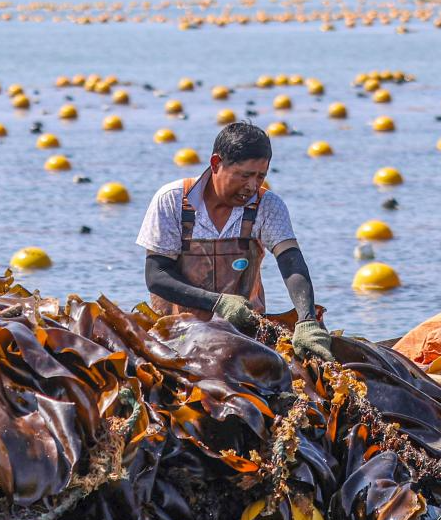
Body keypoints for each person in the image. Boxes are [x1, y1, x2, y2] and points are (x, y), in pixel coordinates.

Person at [136, 121, 333, 361]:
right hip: (175, 338)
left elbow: (290, 261)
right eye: (244, 175)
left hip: (245, 335)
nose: (252, 186)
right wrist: (217, 303)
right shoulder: (173, 201)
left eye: (261, 176)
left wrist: (306, 320)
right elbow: (156, 276)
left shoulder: (267, 206)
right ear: (216, 163)